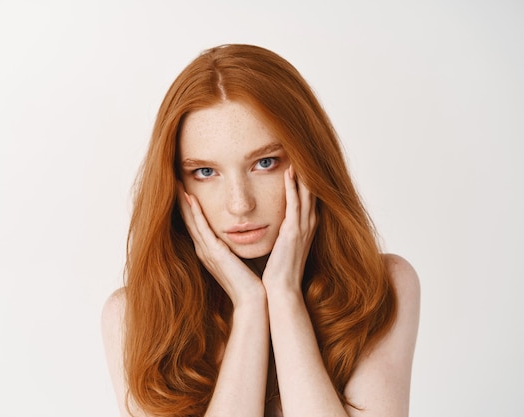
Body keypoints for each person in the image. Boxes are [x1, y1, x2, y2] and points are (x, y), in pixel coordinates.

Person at [101, 44, 420, 417]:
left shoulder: (382, 287)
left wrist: (284, 297)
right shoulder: (133, 318)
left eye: (264, 163)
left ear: (309, 160)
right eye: (205, 172)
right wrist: (251, 308)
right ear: (176, 185)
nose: (239, 204)